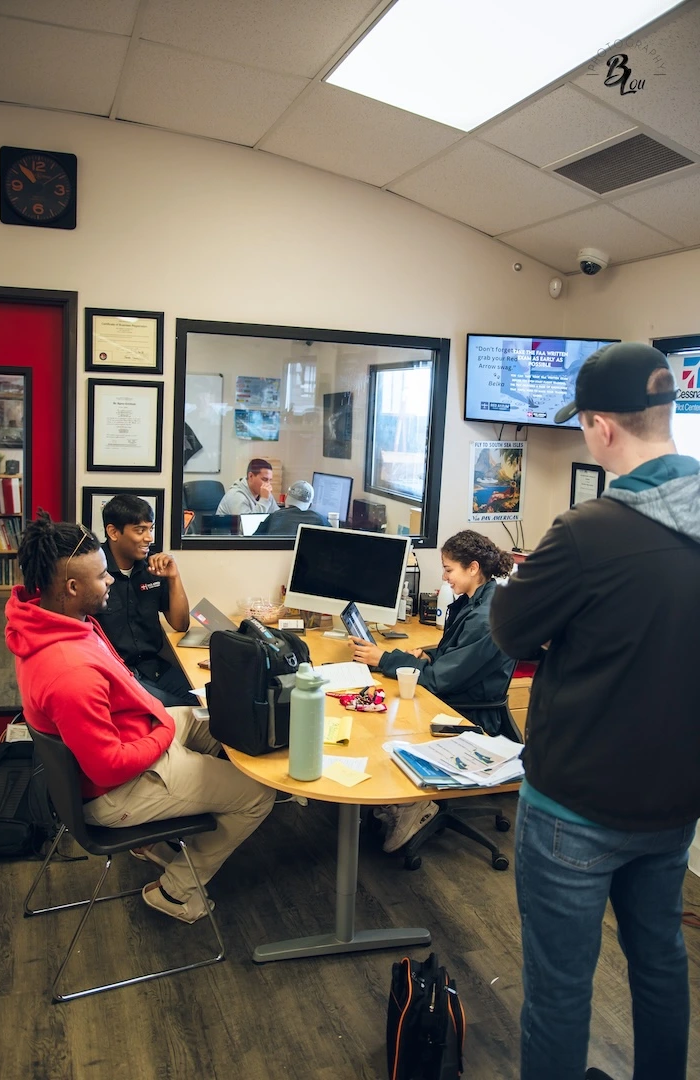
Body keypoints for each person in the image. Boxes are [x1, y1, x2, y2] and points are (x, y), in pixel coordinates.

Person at [490, 342, 700, 1080]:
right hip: (674, 806)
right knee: (662, 966)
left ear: (603, 428)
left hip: (574, 810)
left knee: (559, 990)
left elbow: (509, 632)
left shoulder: (588, 531)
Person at [6, 513, 275, 924]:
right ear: (72, 587)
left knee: (224, 719)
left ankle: (166, 837)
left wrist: (163, 722)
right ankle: (176, 889)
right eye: (101, 576)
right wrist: (164, 732)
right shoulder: (68, 671)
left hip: (135, 731)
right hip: (116, 786)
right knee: (258, 795)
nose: (111, 579)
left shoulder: (56, 621)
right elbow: (107, 766)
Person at [350, 530, 515, 853]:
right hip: (457, 693)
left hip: (468, 711)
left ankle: (412, 806)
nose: (444, 576)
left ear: (473, 568)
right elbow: (451, 660)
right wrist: (427, 656)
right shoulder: (476, 601)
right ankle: (403, 799)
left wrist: (383, 658)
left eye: (449, 569)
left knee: (383, 717)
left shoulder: (486, 618)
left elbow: (441, 680)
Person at [94, 494, 195, 708]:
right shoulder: (94, 572)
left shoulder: (153, 567)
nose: (149, 538)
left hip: (154, 668)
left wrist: (174, 577)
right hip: (118, 676)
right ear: (113, 532)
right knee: (183, 710)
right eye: (140, 530)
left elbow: (180, 624)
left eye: (151, 529)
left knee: (206, 700)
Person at [253, 480, 329, 536]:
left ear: (286, 498)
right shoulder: (320, 520)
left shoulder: (275, 516)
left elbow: (252, 542)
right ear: (310, 505)